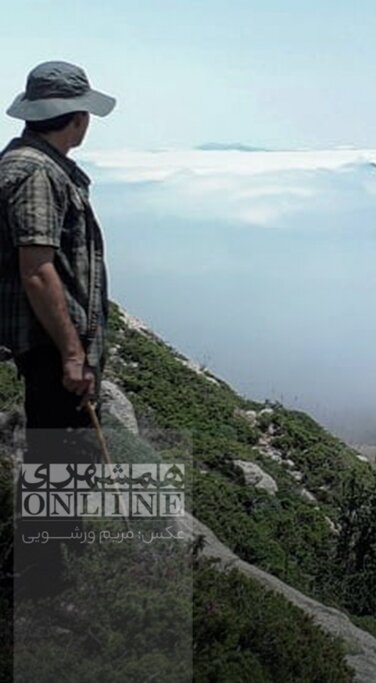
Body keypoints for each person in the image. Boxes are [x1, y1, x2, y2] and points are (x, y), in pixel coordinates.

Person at [0, 61, 116, 596]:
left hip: (51, 344)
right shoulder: (38, 173)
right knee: (60, 461)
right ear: (74, 118)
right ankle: (49, 589)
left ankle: (52, 577)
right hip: (50, 348)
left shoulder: (31, 163)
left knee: (60, 460)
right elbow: (38, 268)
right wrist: (73, 354)